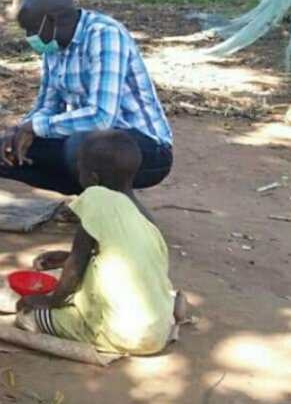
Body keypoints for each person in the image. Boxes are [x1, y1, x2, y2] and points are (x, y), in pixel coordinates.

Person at [0, 0, 173, 196]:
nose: (29, 36)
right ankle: (91, 198)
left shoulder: (104, 35)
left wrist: (35, 127)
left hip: (145, 148)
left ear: (53, 21)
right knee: (0, 154)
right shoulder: (53, 46)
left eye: (32, 29)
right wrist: (20, 130)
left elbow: (101, 118)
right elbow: (47, 106)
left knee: (82, 146)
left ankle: (119, 207)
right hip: (91, 142)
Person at [15, 130, 179, 355]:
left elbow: (76, 267)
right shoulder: (146, 218)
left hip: (122, 334)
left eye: (79, 170)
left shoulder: (96, 200)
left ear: (92, 178)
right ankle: (173, 308)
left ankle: (79, 325)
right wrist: (65, 257)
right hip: (158, 332)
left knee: (28, 316)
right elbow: (127, 257)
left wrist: (51, 301)